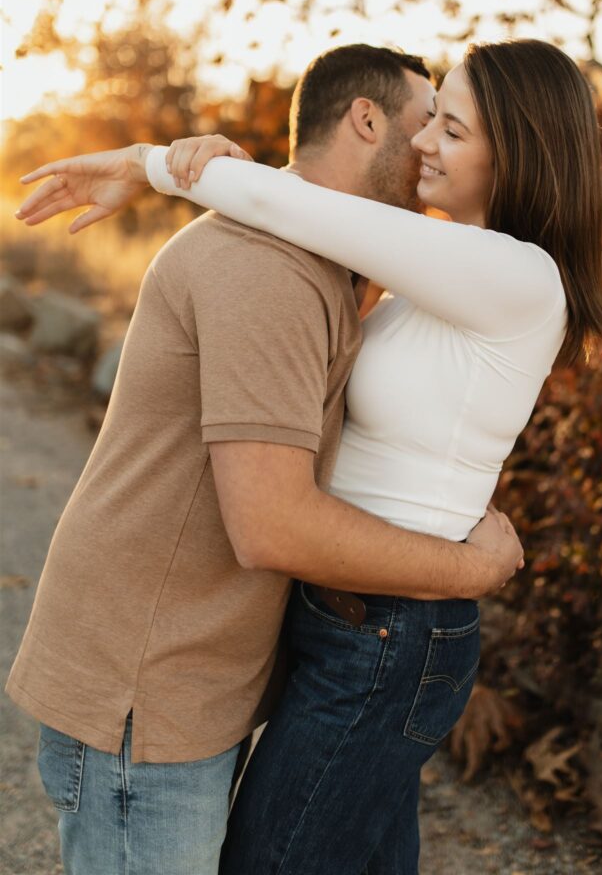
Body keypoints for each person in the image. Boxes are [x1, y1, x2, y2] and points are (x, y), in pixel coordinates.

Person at [8, 44, 525, 875]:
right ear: (365, 119)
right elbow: (273, 525)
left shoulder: (325, 265)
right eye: (428, 118)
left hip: (182, 680)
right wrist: (467, 572)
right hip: (146, 689)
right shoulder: (268, 271)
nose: (433, 145)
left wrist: (192, 169)